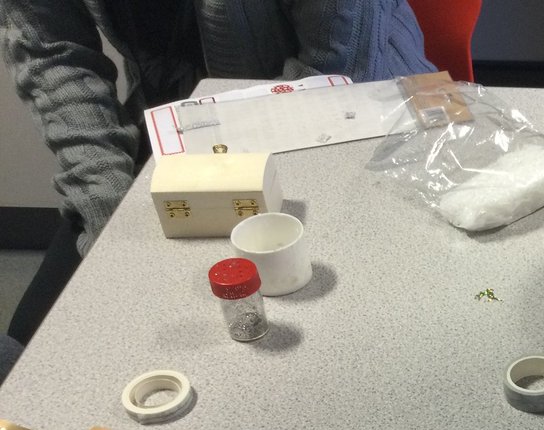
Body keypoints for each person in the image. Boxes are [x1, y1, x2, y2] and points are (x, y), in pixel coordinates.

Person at [1, 0, 435, 345]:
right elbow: (54, 60)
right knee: (40, 343)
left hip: (350, 100)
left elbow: (338, 67)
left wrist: (243, 204)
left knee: (355, 320)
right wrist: (106, 210)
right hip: (178, 123)